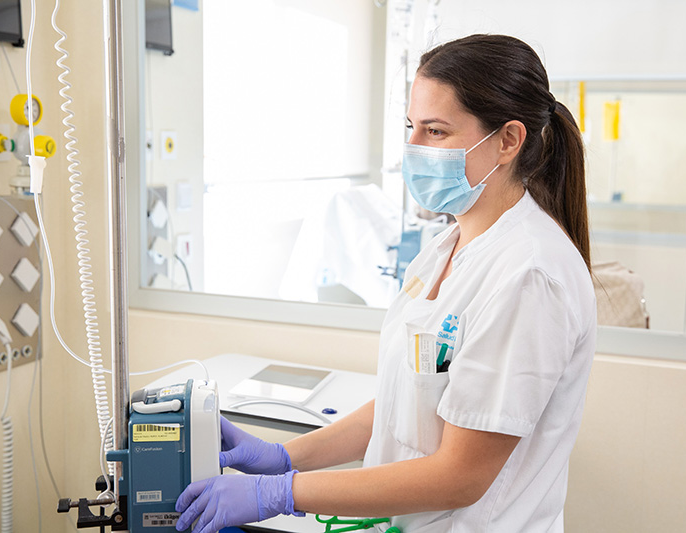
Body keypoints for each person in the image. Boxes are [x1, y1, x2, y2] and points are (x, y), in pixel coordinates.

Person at [175, 34, 596, 533]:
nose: (412, 148)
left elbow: (461, 476)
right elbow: (407, 402)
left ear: (508, 140)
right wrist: (282, 456)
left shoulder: (529, 275)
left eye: (436, 131)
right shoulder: (448, 246)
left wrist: (280, 493)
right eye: (410, 127)